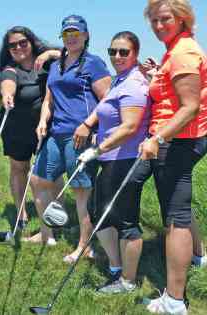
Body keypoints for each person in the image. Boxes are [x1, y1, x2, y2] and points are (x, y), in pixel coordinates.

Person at [138, 0, 207, 313]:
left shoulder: (182, 53)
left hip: (177, 141)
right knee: (180, 205)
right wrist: (159, 73)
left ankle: (175, 301)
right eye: (153, 20)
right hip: (181, 138)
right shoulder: (177, 50)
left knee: (175, 217)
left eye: (164, 18)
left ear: (181, 18)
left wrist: (157, 138)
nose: (157, 25)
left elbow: (190, 106)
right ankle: (199, 256)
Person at [29, 15, 111, 252]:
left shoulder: (94, 64)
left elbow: (107, 100)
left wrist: (88, 125)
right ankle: (47, 234)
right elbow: (48, 99)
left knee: (80, 191)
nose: (72, 38)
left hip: (80, 136)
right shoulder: (56, 65)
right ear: (62, 37)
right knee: (37, 181)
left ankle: (84, 246)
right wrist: (43, 120)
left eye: (76, 33)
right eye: (67, 34)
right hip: (55, 133)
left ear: (86, 36)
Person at [77, 31, 150, 293]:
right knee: (100, 212)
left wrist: (97, 149)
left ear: (135, 54)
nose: (117, 56)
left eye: (124, 52)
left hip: (128, 158)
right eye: (113, 51)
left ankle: (128, 282)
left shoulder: (134, 85)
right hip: (112, 158)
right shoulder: (120, 80)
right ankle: (116, 266)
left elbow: (130, 127)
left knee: (126, 222)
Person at [0, 26, 63, 229]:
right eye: (12, 45)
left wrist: (50, 52)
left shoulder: (48, 62)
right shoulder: (10, 69)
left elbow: (70, 56)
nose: (18, 47)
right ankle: (21, 213)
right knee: (19, 168)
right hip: (16, 128)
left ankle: (58, 212)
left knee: (52, 169)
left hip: (44, 126)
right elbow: (8, 83)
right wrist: (7, 95)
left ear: (31, 42)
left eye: (22, 42)